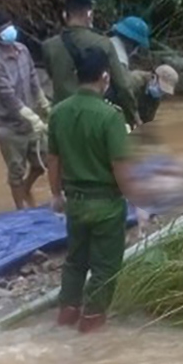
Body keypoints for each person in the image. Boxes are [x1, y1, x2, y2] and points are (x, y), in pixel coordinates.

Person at [47, 46, 139, 334]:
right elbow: (120, 166)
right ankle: (90, 335)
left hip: (75, 203)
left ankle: (65, 321)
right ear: (105, 77)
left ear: (76, 76)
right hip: (106, 206)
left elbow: (53, 160)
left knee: (75, 262)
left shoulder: (59, 112)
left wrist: (55, 195)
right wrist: (136, 199)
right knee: (104, 268)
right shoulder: (110, 116)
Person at [0, 9, 52, 210]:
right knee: (16, 171)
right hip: (9, 126)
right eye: (4, 30)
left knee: (43, 163)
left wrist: (43, 104)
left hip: (30, 121)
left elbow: (33, 79)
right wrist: (32, 117)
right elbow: (7, 96)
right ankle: (20, 211)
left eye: (9, 26)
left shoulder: (23, 50)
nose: (10, 31)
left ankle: (27, 188)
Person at [41, 0, 139, 128]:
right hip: (93, 118)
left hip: (62, 118)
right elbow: (123, 86)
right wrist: (133, 117)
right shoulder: (103, 44)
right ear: (89, 15)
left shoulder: (48, 46)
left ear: (65, 15)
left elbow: (53, 75)